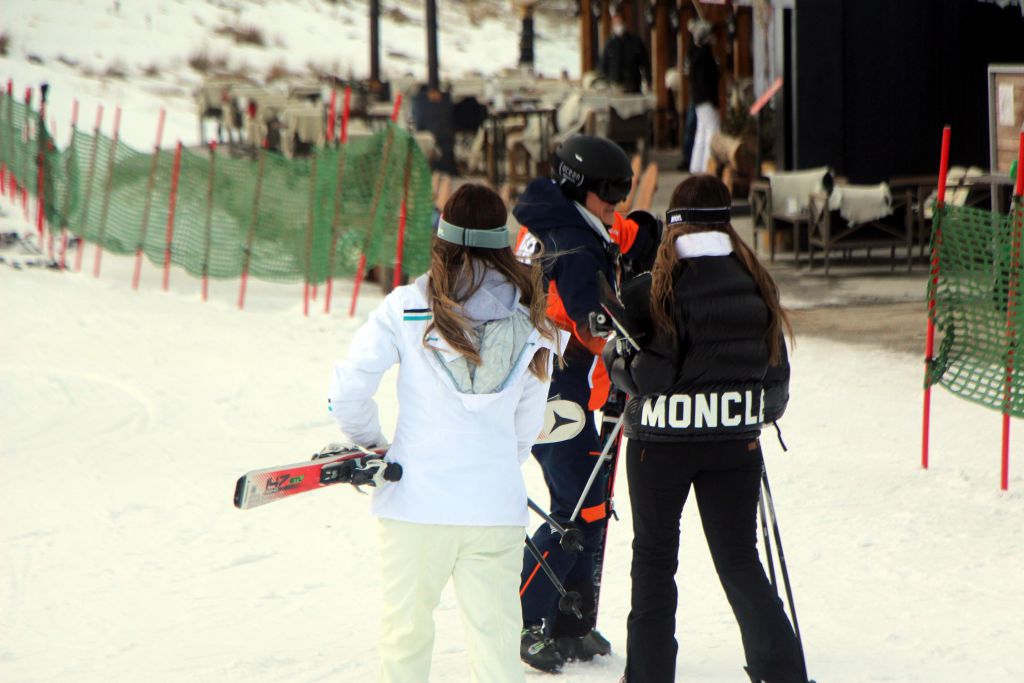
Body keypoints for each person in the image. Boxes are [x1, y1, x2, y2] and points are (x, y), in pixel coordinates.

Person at [327, 183, 562, 683]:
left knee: (405, 644)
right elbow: (525, 433)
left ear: (442, 237)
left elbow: (348, 391)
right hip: (495, 509)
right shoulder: (533, 321)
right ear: (503, 239)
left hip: (415, 503)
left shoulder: (407, 306)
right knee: (496, 650)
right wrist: (490, 462)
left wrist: (374, 446)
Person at [603, 174, 808, 683]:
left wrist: (614, 362)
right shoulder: (759, 282)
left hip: (659, 444)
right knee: (740, 559)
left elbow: (649, 376)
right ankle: (782, 672)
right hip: (733, 444)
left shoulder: (651, 288)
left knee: (653, 560)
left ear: (673, 222)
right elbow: (775, 389)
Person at [512, 135, 661, 673]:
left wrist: (650, 232)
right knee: (575, 509)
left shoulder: (569, 221)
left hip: (572, 385)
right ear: (580, 189)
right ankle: (526, 620)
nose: (614, 205)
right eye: (607, 195)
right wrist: (639, 352)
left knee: (589, 502)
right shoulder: (571, 249)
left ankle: (571, 620)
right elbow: (597, 322)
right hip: (552, 386)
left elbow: (623, 233)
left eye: (620, 195)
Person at [686, 19, 721, 175]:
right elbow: (707, 81)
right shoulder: (704, 56)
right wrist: (713, 101)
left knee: (701, 131)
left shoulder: (695, 54)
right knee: (712, 131)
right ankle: (708, 166)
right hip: (706, 99)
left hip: (699, 99)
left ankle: (697, 166)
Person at [598, 13, 651, 94]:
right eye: (616, 23)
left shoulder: (635, 42)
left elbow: (645, 63)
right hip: (614, 87)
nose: (619, 25)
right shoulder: (609, 44)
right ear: (612, 25)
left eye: (620, 22)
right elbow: (603, 66)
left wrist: (649, 80)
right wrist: (606, 83)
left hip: (633, 87)